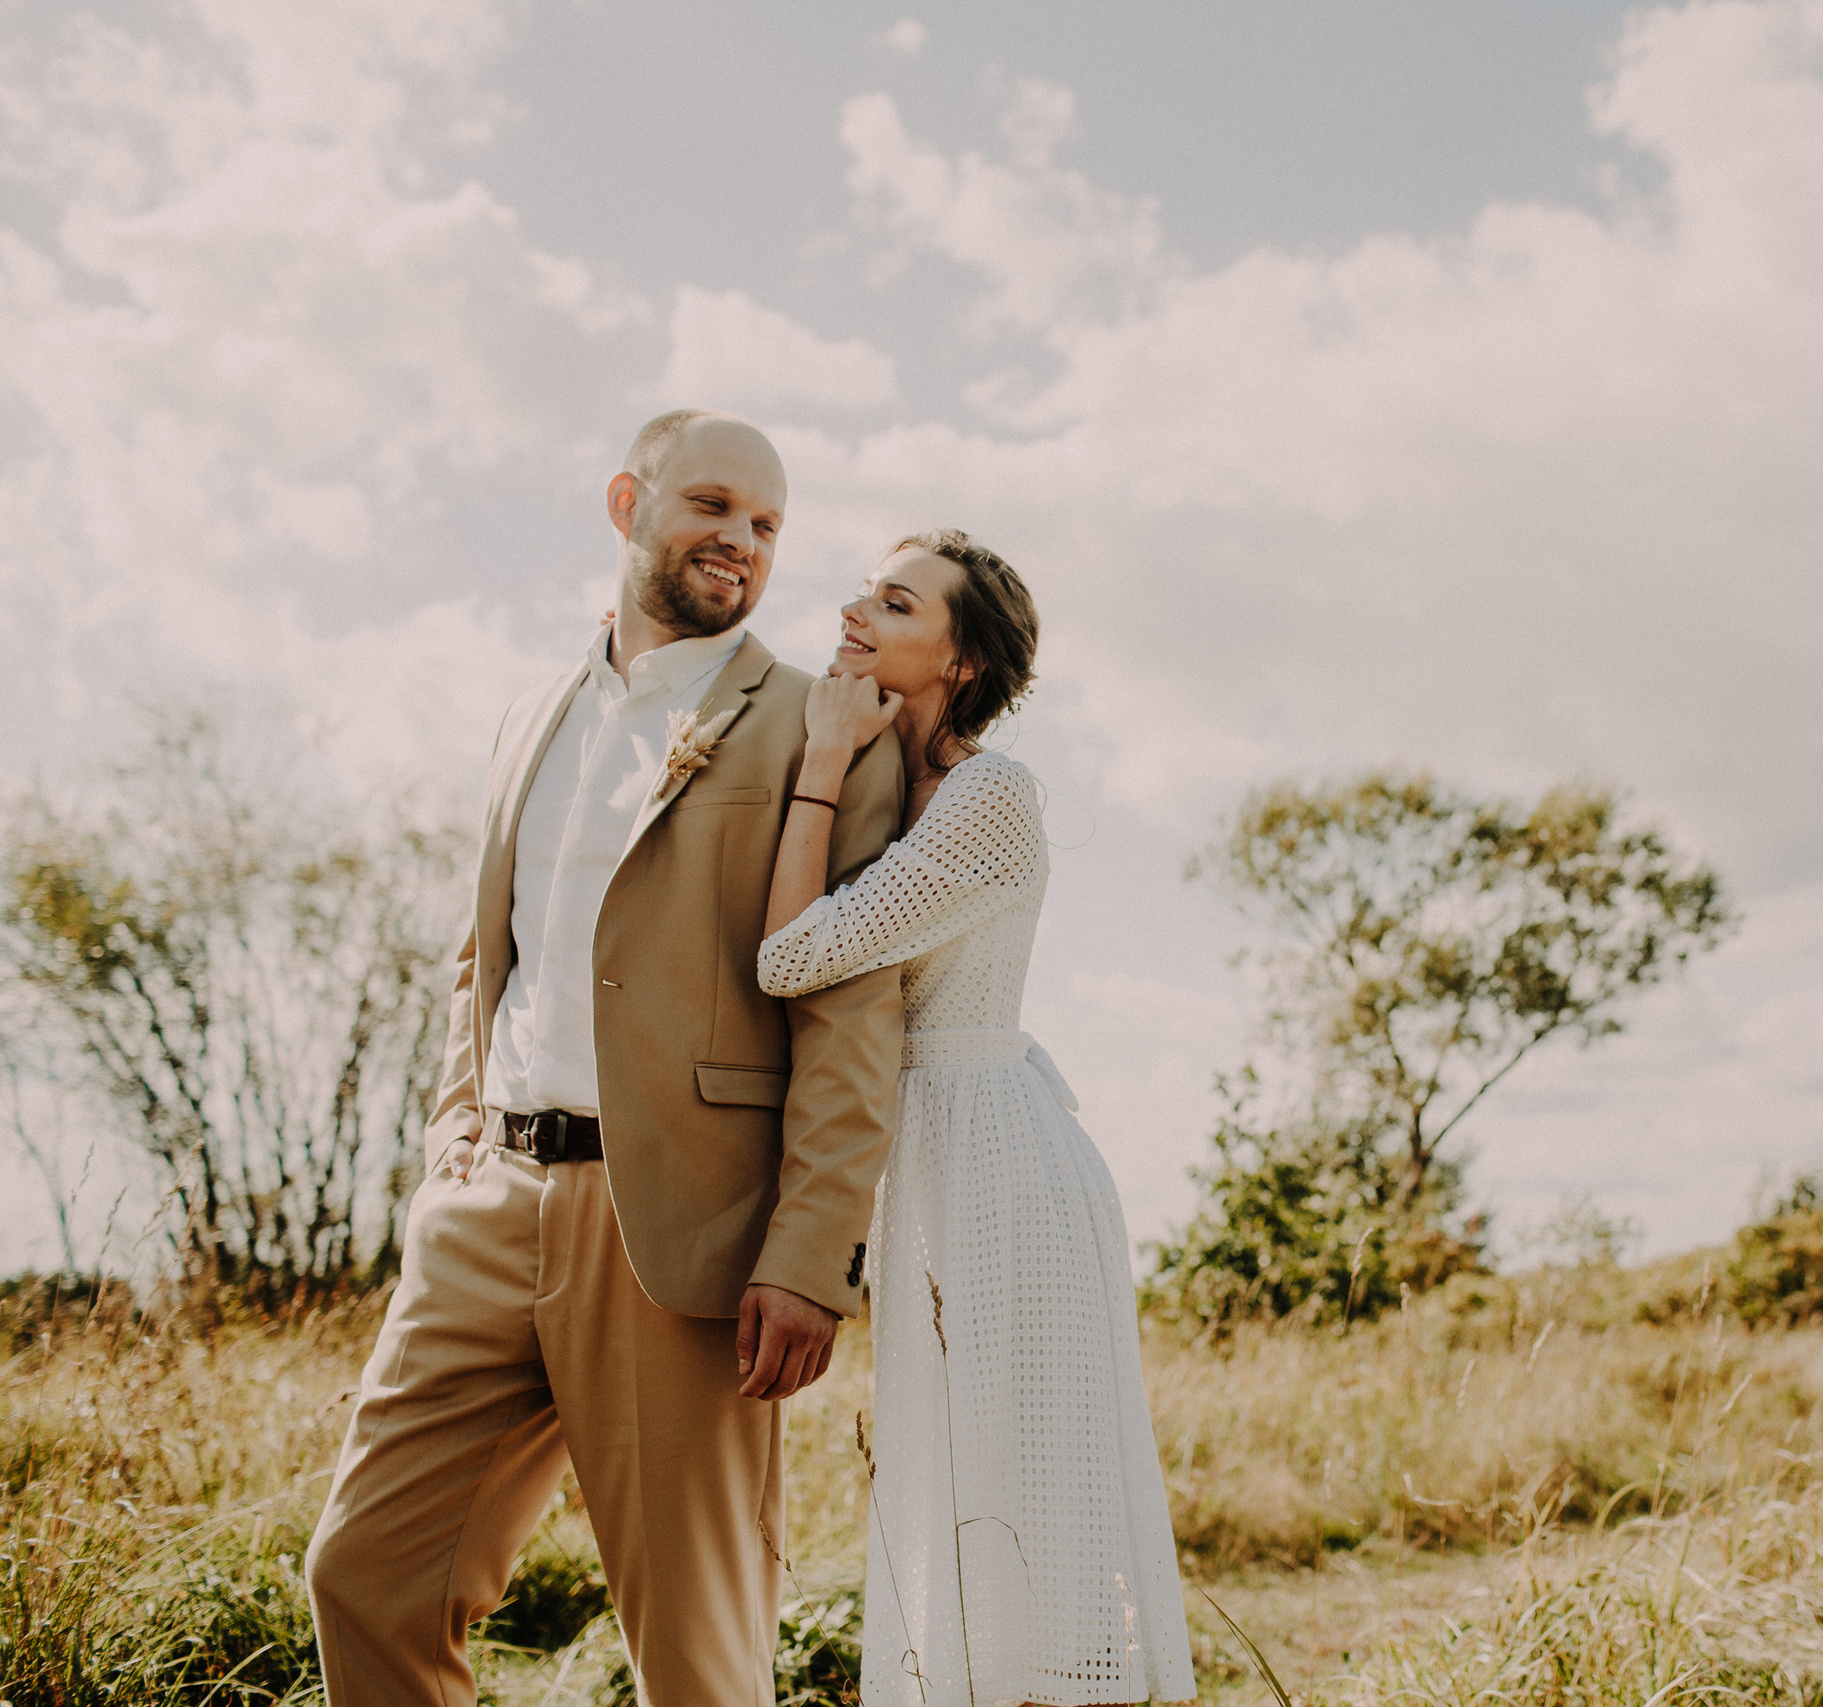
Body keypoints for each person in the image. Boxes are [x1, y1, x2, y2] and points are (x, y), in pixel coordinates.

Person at [305, 410, 906, 1705]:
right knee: (365, 1576)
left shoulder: (822, 723)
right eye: (712, 506)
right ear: (628, 502)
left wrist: (813, 1250)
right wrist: (452, 1142)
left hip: (682, 1234)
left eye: (767, 524)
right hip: (485, 1208)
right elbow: (490, 951)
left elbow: (852, 1013)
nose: (740, 542)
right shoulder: (534, 714)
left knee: (698, 1654)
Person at [759, 530, 1195, 1706]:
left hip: (998, 1155)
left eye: (895, 603)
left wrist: (816, 760)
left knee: (1027, 1490)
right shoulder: (882, 786)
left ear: (958, 661)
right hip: (929, 1156)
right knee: (949, 1486)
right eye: (866, 590)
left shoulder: (990, 794)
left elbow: (794, 957)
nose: (858, 609)